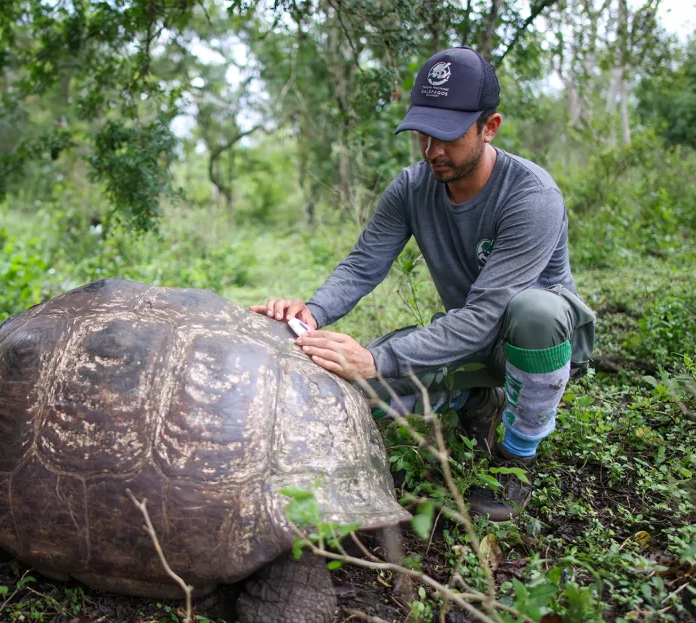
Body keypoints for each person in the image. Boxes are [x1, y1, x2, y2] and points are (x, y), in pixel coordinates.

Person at [250, 46, 596, 522]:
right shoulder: (412, 187)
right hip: (466, 340)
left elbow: (486, 316)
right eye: (423, 133)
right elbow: (363, 265)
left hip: (535, 346)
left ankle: (517, 456)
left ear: (489, 127)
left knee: (535, 312)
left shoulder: (532, 197)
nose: (432, 149)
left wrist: (375, 358)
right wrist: (310, 314)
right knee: (357, 398)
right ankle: (479, 398)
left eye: (448, 135)